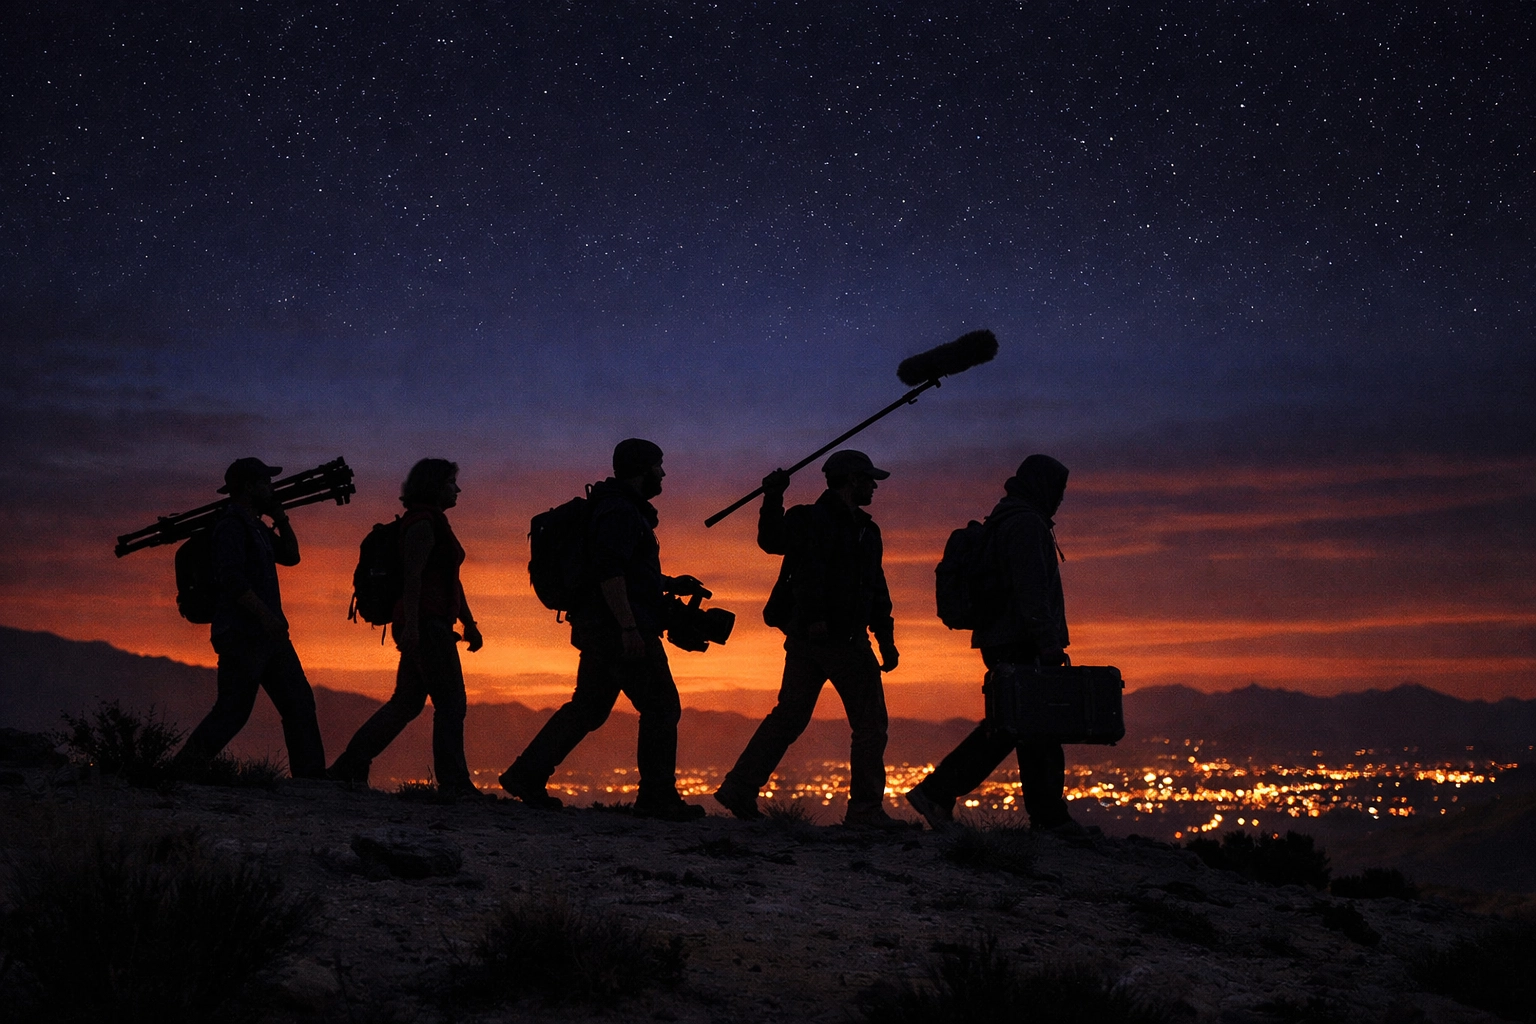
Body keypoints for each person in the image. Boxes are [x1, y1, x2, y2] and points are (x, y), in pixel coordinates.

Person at [498, 438, 706, 821]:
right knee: (661, 706)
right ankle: (657, 798)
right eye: (659, 466)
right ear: (642, 469)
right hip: (618, 627)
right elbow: (609, 572)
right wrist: (629, 627)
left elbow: (627, 571)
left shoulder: (617, 509)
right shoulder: (620, 512)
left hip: (599, 626)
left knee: (589, 708)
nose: (663, 474)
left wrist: (669, 584)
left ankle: (526, 774)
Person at [713, 450, 900, 826]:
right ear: (851, 480)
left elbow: (875, 588)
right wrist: (773, 496)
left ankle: (739, 788)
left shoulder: (862, 528)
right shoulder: (812, 519)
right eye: (868, 479)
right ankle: (865, 811)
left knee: (789, 718)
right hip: (838, 641)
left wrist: (885, 637)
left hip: (810, 640)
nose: (874, 486)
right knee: (869, 726)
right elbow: (774, 543)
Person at [905, 454, 1081, 834]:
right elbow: (1032, 590)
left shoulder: (1009, 519)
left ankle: (1046, 815)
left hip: (1005, 638)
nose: (1062, 498)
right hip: (1021, 641)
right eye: (1059, 489)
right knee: (1027, 725)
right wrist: (1048, 643)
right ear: (1043, 486)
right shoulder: (1025, 525)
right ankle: (942, 792)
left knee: (1023, 726)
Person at [328, 459, 485, 799]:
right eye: (451, 482)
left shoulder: (434, 523)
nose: (457, 489)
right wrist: (413, 627)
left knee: (407, 703)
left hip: (429, 623)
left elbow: (449, 580)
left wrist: (468, 623)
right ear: (435, 485)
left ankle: (349, 766)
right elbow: (412, 579)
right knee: (451, 703)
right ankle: (454, 784)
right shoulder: (422, 524)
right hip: (426, 626)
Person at [173, 457, 326, 778]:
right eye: (265, 483)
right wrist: (266, 616)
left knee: (299, 703)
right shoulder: (230, 526)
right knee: (233, 711)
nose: (270, 487)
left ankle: (312, 780)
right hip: (243, 634)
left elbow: (292, 556)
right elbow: (232, 580)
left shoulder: (255, 526)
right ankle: (181, 772)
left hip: (268, 635)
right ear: (249, 487)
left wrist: (280, 516)